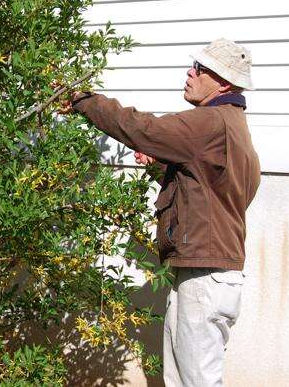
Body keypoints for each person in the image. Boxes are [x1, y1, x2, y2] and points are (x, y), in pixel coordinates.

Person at [66, 38, 261, 386]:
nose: (190, 73)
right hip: (210, 275)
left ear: (223, 82)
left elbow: (144, 130)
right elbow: (211, 193)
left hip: (204, 277)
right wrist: (161, 167)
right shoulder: (235, 127)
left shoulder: (209, 122)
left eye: (200, 69)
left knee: (195, 381)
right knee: (184, 379)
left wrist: (85, 101)